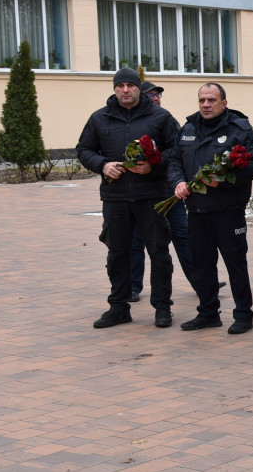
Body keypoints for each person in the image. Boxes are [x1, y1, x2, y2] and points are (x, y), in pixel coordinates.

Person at [77, 68, 180, 329]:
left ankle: (162, 307)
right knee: (117, 253)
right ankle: (119, 307)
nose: (125, 90)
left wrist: (152, 168)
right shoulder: (100, 118)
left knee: (158, 253)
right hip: (116, 197)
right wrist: (102, 165)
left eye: (130, 86)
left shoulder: (160, 117)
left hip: (152, 196)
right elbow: (83, 149)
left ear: (138, 88)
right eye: (120, 85)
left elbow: (176, 150)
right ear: (114, 89)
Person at [168, 83, 253, 334]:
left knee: (235, 264)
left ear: (224, 103)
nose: (206, 105)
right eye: (201, 100)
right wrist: (178, 181)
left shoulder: (240, 129)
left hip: (228, 210)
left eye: (211, 100)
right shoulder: (187, 128)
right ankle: (208, 313)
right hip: (197, 210)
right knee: (201, 265)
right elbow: (174, 160)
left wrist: (225, 179)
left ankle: (243, 314)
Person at [127, 81, 199, 301]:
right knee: (137, 239)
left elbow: (178, 151)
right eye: (150, 95)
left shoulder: (166, 119)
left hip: (169, 190)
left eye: (157, 95)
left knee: (183, 235)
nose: (155, 98)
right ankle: (133, 287)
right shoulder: (133, 122)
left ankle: (200, 281)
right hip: (143, 192)